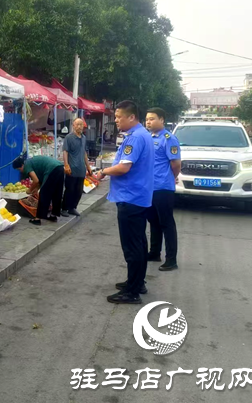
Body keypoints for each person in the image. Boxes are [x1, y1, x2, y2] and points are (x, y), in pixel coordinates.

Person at [95, 101, 154, 304]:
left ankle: (132, 291)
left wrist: (102, 171)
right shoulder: (141, 135)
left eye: (119, 116)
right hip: (138, 197)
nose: (116, 120)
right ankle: (137, 282)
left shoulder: (136, 138)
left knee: (132, 247)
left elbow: (123, 168)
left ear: (131, 117)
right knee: (139, 242)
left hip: (131, 198)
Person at [145, 108, 181, 271]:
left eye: (152, 119)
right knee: (153, 221)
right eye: (147, 119)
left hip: (163, 187)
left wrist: (171, 177)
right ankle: (154, 252)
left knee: (167, 223)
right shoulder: (150, 137)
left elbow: (176, 164)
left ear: (162, 120)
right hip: (150, 187)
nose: (148, 122)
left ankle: (171, 259)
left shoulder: (169, 139)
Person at [12, 155, 65, 225]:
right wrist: (36, 189)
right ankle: (53, 215)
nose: (20, 171)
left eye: (19, 169)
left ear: (22, 165)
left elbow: (36, 180)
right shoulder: (31, 161)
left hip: (52, 169)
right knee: (56, 192)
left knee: (44, 194)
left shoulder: (27, 165)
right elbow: (41, 180)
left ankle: (38, 218)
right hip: (60, 167)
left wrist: (30, 190)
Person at [62, 117, 92, 217]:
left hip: (81, 170)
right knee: (70, 189)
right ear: (73, 126)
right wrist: (66, 165)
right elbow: (65, 151)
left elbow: (84, 153)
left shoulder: (83, 138)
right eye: (77, 124)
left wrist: (88, 167)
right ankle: (64, 208)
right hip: (72, 169)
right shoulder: (69, 137)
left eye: (81, 124)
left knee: (78, 191)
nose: (79, 126)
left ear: (83, 126)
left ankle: (72, 208)